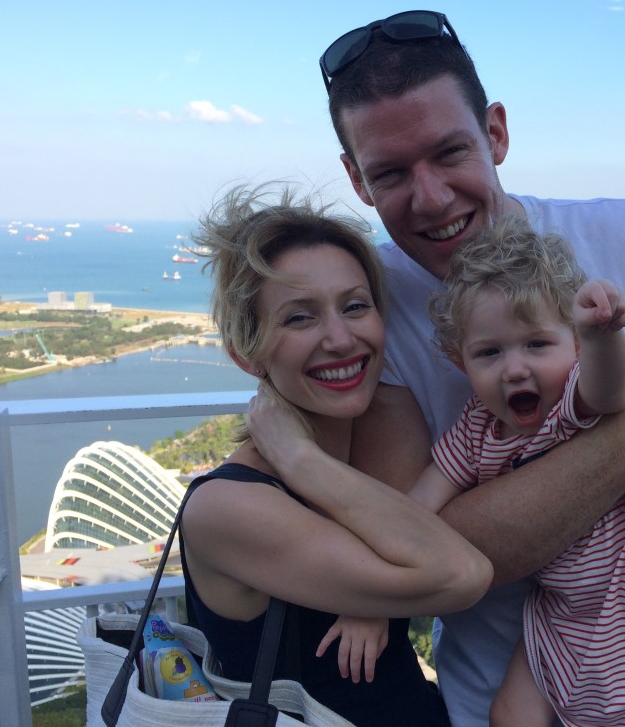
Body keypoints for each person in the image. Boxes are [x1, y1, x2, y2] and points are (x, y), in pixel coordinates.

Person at [319, 10, 625, 724]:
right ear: (356, 179)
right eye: (390, 173)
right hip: (504, 695)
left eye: (451, 153)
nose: (433, 197)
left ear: (497, 133)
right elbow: (430, 549)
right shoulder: (368, 309)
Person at [178, 184, 493, 727]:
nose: (341, 339)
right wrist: (301, 462)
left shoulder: (390, 420)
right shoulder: (226, 508)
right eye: (299, 318)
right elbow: (459, 573)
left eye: (355, 306)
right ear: (246, 353)